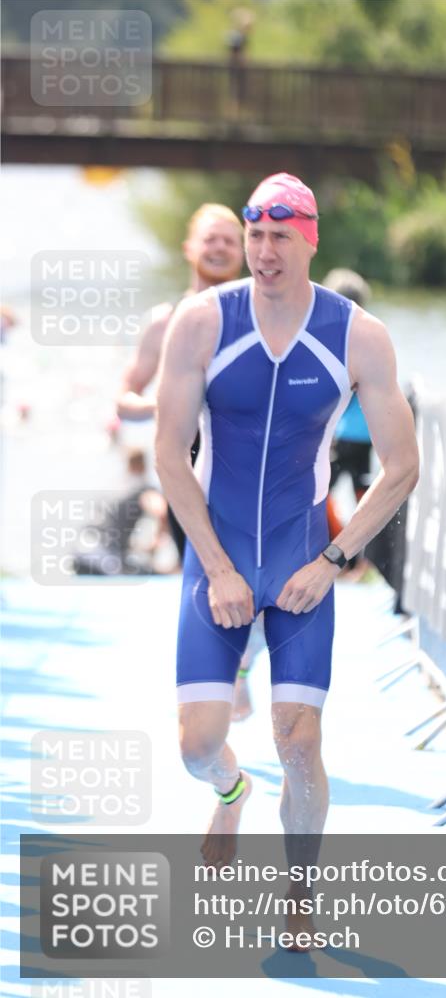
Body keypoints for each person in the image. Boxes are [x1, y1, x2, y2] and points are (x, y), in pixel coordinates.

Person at [155, 172, 419, 947]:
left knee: (299, 743)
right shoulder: (202, 321)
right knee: (197, 744)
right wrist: (218, 567)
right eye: (253, 235)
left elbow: (401, 465)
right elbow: (170, 456)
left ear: (309, 241)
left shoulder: (357, 335)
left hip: (305, 560)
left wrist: (334, 557)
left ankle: (298, 893)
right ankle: (230, 792)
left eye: (280, 237)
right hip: (218, 558)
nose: (263, 251)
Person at [116, 203, 258, 713]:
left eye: (229, 239)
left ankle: (242, 662)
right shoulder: (165, 321)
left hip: (253, 465)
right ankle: (218, 686)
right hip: (187, 469)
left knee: (267, 577)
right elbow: (125, 398)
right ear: (190, 248)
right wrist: (170, 403)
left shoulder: (264, 312)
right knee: (207, 579)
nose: (219, 247)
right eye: (210, 239)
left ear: (243, 249)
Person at [322, 269, 374, 579]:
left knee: (318, 493)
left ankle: (346, 556)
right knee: (364, 497)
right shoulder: (370, 333)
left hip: (344, 434)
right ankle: (360, 560)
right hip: (366, 434)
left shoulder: (337, 337)